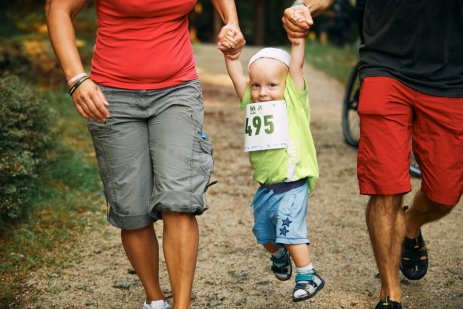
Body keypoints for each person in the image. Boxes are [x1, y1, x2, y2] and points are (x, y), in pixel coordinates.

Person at [45, 1, 244, 308]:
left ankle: (182, 305)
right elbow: (58, 9)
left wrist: (231, 21)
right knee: (132, 209)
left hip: (177, 90)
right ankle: (155, 299)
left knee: (179, 200)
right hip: (111, 95)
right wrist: (76, 79)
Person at [285, 1, 463, 308]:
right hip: (385, 64)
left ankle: (408, 226)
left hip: (450, 76)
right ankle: (390, 293)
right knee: (385, 186)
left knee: (445, 194)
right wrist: (304, 6)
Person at [219, 6, 324, 303]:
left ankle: (308, 274)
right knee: (265, 235)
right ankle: (279, 257)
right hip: (266, 187)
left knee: (290, 231)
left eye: (271, 85)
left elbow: (298, 62)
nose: (263, 91)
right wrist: (231, 57)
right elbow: (237, 77)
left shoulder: (293, 95)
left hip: (293, 182)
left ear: (287, 82)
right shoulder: (252, 101)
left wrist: (298, 37)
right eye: (257, 85)